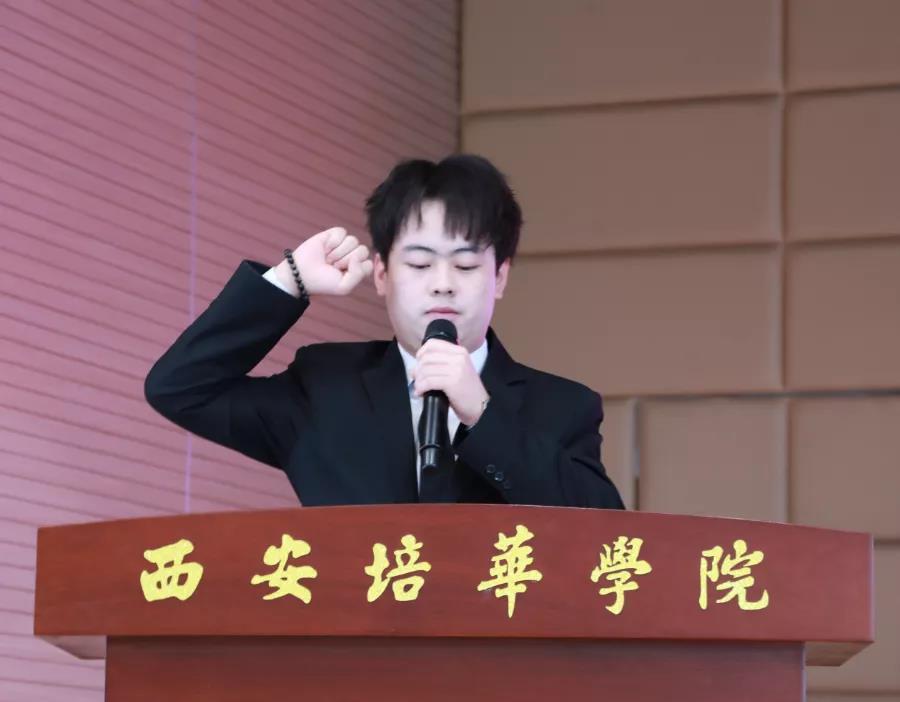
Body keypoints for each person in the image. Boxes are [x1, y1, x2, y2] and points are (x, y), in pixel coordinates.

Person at [144, 154, 624, 509]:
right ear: (381, 274)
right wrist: (289, 280)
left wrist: (482, 414)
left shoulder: (562, 408)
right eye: (419, 263)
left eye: (465, 265)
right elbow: (181, 389)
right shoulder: (326, 388)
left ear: (499, 277)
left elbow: (606, 535)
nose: (442, 283)